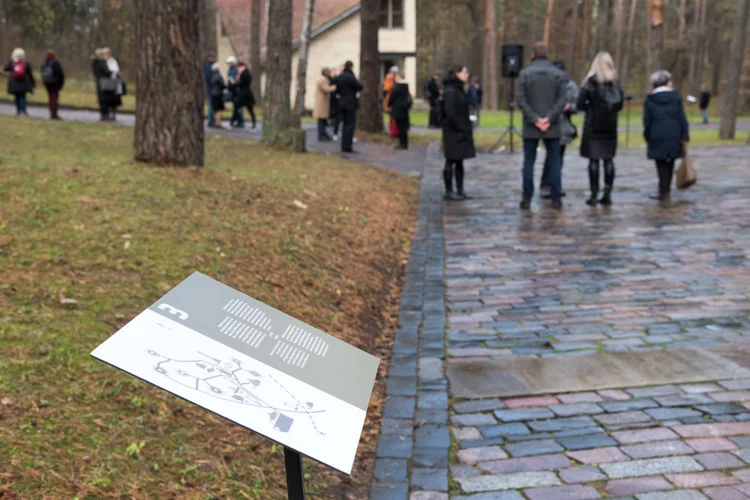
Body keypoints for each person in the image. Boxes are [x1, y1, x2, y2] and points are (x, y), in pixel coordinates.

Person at [516, 42, 567, 210]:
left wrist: (535, 119)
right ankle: (555, 197)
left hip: (532, 126)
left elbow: (521, 100)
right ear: (547, 54)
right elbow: (562, 99)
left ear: (532, 54)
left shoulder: (524, 74)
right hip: (551, 126)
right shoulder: (558, 74)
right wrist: (549, 118)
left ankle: (526, 197)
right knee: (554, 161)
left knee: (529, 162)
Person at [578, 52, 624, 206]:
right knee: (609, 160)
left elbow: (579, 104)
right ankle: (607, 194)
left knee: (594, 160)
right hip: (610, 126)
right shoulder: (616, 83)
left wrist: (590, 107)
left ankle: (593, 194)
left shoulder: (590, 82)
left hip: (593, 125)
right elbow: (620, 104)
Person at [644, 70, 690, 203]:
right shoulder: (676, 97)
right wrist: (684, 134)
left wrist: (647, 135)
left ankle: (662, 189)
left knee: (660, 163)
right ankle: (666, 189)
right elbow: (681, 117)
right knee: (670, 162)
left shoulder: (650, 99)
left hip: (657, 134)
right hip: (674, 134)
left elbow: (647, 121)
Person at [540, 60, 578, 198]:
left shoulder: (570, 86)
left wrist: (570, 108)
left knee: (558, 157)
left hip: (564, 127)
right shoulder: (546, 86)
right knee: (551, 157)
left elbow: (577, 104)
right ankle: (547, 183)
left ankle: (554, 185)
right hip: (549, 125)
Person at [442, 65, 476, 201]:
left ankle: (460, 189)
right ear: (457, 73)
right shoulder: (451, 90)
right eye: (464, 72)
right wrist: (460, 127)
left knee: (460, 160)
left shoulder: (459, 88)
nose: (467, 74)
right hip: (453, 130)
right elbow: (450, 112)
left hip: (461, 129)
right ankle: (449, 191)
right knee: (450, 160)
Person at [336, 60, 363, 153]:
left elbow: (337, 88)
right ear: (351, 67)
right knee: (350, 125)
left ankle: (343, 145)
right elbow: (359, 86)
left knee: (344, 125)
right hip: (350, 103)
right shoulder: (351, 77)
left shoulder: (340, 76)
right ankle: (348, 146)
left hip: (341, 102)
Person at [4, 48, 35, 116]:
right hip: (23, 83)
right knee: (22, 97)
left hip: (14, 83)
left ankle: (18, 111)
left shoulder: (12, 62)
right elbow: (29, 73)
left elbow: (5, 68)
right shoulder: (26, 63)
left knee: (17, 97)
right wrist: (33, 82)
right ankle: (23, 111)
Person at [389, 73, 412, 150]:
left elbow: (392, 97)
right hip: (404, 109)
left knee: (400, 127)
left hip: (398, 109)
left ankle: (402, 143)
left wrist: (389, 104)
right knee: (403, 127)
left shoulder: (398, 87)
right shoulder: (406, 86)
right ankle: (404, 143)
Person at [314, 67, 337, 141]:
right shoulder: (323, 80)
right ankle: (322, 135)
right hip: (322, 102)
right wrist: (334, 87)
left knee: (323, 120)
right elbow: (326, 89)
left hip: (323, 102)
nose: (329, 73)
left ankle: (324, 134)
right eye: (328, 72)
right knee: (321, 119)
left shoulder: (324, 79)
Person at [41, 49, 65, 120]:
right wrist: (60, 84)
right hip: (55, 84)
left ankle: (52, 113)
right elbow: (60, 74)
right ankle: (54, 114)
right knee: (54, 99)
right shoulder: (55, 63)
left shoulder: (45, 63)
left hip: (47, 83)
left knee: (50, 98)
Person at [92, 48, 114, 121]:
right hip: (104, 82)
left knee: (101, 99)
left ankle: (102, 115)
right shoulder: (102, 63)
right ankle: (105, 115)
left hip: (98, 82)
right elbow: (107, 72)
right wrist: (112, 73)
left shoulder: (94, 63)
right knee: (105, 99)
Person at [234, 62, 257, 130]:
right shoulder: (245, 73)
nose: (237, 69)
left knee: (237, 106)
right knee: (249, 109)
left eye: (238, 67)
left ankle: (233, 122)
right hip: (246, 93)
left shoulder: (244, 73)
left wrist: (235, 82)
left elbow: (242, 83)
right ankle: (253, 122)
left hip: (244, 93)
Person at [102, 48, 123, 121]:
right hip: (106, 82)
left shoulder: (112, 61)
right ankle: (107, 114)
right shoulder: (103, 62)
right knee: (107, 99)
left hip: (113, 82)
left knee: (114, 100)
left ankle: (113, 114)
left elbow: (115, 71)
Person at [226, 56, 244, 128]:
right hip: (232, 90)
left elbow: (235, 80)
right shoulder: (230, 69)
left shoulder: (235, 70)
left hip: (237, 90)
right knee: (236, 106)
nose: (228, 64)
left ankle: (241, 121)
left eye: (230, 63)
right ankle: (238, 121)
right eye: (228, 63)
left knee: (238, 106)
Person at [209, 62, 226, 129]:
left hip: (213, 94)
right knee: (219, 109)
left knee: (215, 109)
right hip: (218, 94)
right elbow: (223, 85)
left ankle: (215, 122)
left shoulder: (212, 76)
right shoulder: (219, 76)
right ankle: (218, 123)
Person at [384, 66, 399, 137]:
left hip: (398, 101)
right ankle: (393, 132)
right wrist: (392, 82)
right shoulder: (388, 78)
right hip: (391, 100)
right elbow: (387, 88)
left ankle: (397, 131)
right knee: (392, 117)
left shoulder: (398, 78)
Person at [204, 52, 217, 127]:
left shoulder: (211, 65)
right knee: (211, 104)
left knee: (212, 104)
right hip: (211, 87)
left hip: (212, 87)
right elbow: (209, 77)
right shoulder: (208, 66)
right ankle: (210, 120)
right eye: (213, 58)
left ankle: (211, 120)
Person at [329, 67, 341, 140]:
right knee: (337, 118)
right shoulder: (333, 80)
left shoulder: (338, 79)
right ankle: (335, 133)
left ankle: (336, 133)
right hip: (336, 103)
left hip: (340, 102)